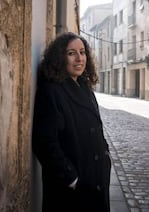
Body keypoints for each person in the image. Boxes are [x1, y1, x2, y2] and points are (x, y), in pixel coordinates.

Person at [32, 32, 111, 212]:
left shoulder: (85, 87)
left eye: (82, 52)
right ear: (60, 58)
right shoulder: (51, 91)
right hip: (71, 190)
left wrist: (105, 156)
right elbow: (44, 142)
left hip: (96, 178)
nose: (79, 59)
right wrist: (72, 179)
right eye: (71, 53)